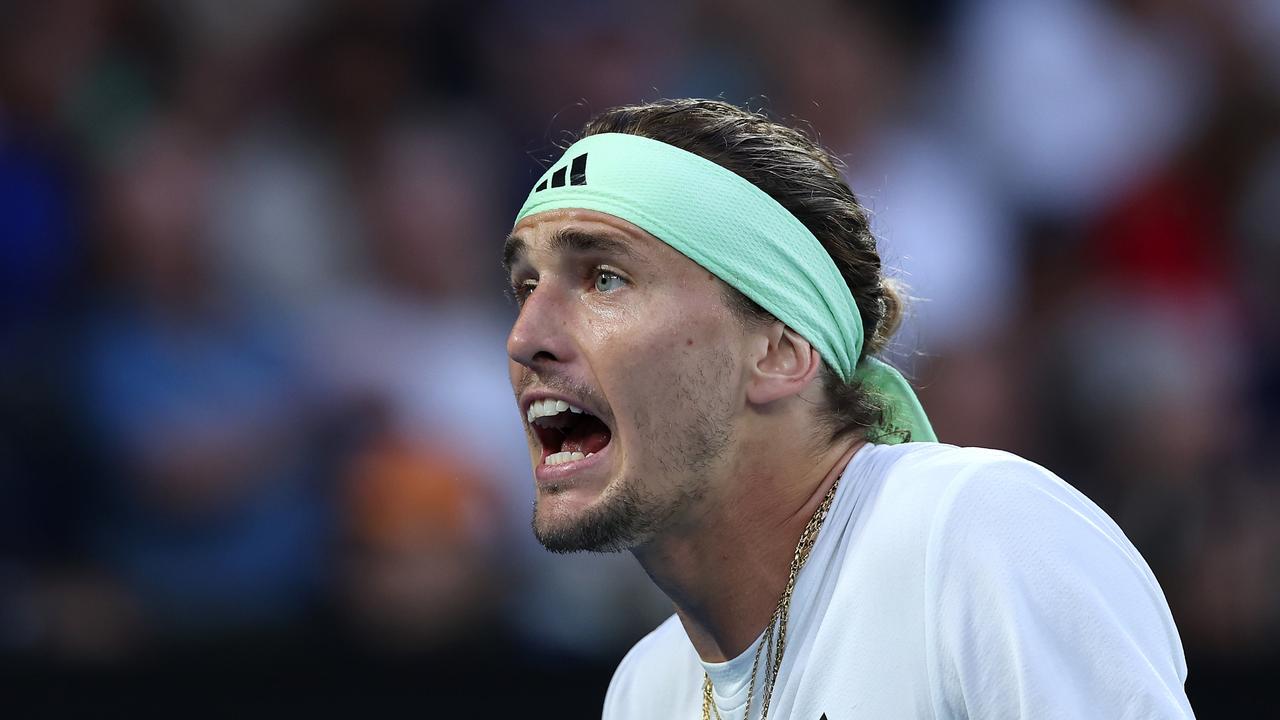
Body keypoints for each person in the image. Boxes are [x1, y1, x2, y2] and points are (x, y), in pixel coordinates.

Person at [502, 99, 1194, 719]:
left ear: (777, 351)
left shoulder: (977, 533)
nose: (525, 336)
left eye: (606, 278)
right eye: (525, 285)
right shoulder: (646, 692)